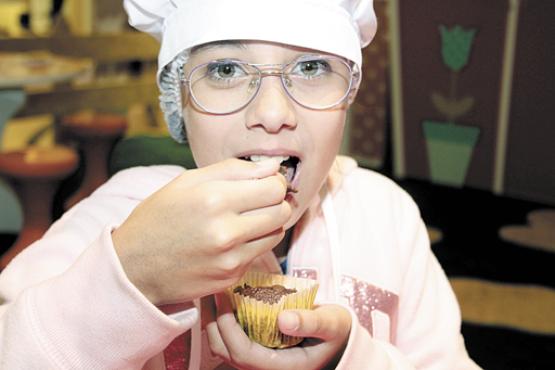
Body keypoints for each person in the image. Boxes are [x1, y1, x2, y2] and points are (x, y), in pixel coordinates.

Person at [0, 0, 481, 369]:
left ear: (349, 93)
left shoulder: (387, 217)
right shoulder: (116, 216)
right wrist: (131, 276)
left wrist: (349, 359)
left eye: (311, 67)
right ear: (179, 104)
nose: (273, 115)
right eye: (225, 70)